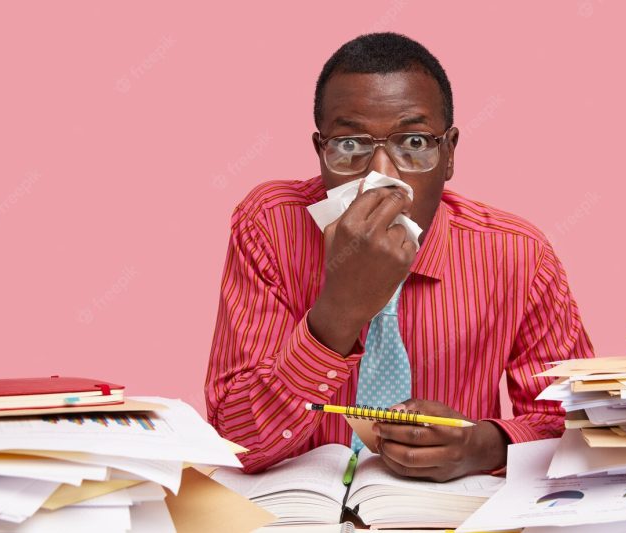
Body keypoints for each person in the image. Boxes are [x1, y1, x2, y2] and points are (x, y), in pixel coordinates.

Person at [205, 32, 594, 482]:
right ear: (321, 151)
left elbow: (576, 428)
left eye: (413, 144)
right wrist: (340, 308)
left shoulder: (518, 254)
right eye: (350, 146)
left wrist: (481, 446)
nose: (381, 178)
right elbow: (237, 442)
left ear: (448, 154)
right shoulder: (270, 226)